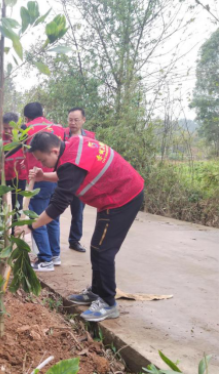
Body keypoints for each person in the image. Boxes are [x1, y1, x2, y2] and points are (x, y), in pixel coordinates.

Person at [16, 132, 144, 322]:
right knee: (97, 247)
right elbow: (68, 173)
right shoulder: (72, 145)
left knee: (103, 250)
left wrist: (30, 227)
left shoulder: (71, 162)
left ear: (54, 150)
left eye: (43, 160)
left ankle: (108, 303)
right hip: (112, 196)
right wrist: (45, 176)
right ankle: (97, 291)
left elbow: (58, 205)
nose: (43, 163)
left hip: (123, 197)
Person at [22, 103, 65, 272]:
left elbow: (19, 152)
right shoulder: (58, 128)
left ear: (26, 118)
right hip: (57, 176)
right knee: (52, 216)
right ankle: (55, 255)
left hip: (39, 179)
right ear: (43, 113)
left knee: (37, 218)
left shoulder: (26, 129)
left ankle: (45, 259)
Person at [64, 108, 96, 253]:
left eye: (76, 120)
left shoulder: (90, 138)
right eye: (70, 119)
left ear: (83, 120)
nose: (73, 123)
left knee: (78, 213)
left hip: (80, 181)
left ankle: (74, 240)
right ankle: (50, 243)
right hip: (62, 180)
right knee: (54, 210)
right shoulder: (61, 135)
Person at [0, 113, 28, 229]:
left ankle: (14, 232)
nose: (8, 131)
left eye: (11, 128)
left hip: (18, 177)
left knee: (17, 206)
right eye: (5, 128)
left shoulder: (24, 138)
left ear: (17, 126)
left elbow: (31, 155)